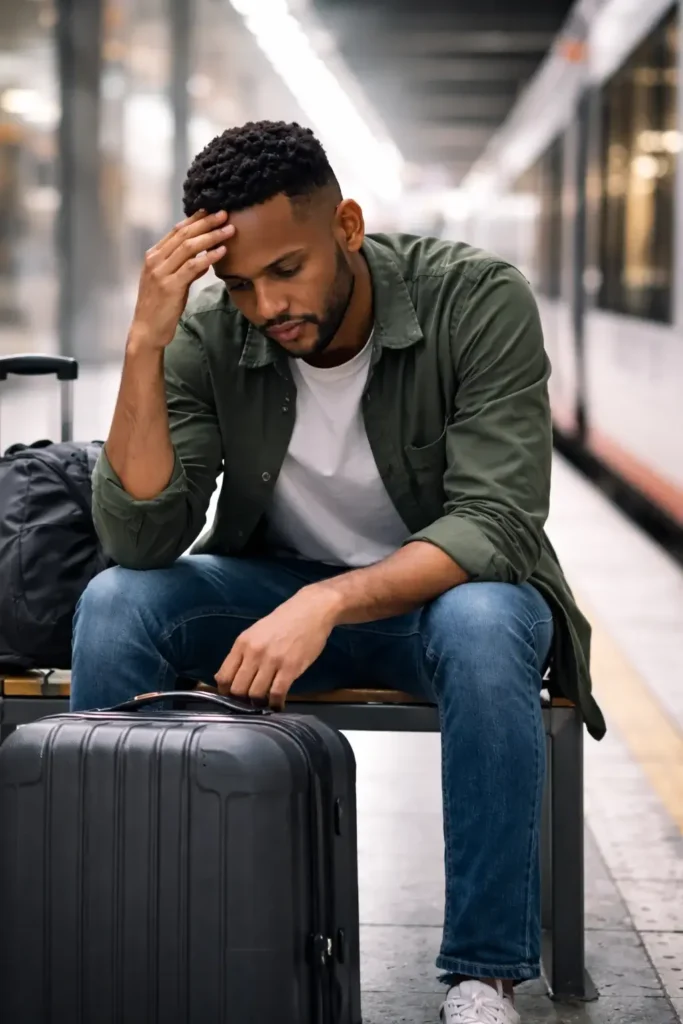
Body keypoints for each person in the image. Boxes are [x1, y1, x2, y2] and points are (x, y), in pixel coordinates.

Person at [71, 120, 605, 1024]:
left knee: (487, 625)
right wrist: (143, 346)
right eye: (238, 284)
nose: (266, 305)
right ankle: (121, 939)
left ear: (347, 227)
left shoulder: (473, 298)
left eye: (287, 269)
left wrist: (328, 601)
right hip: (269, 597)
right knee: (118, 603)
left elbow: (496, 520)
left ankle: (481, 976)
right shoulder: (208, 336)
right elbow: (142, 538)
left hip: (438, 604)